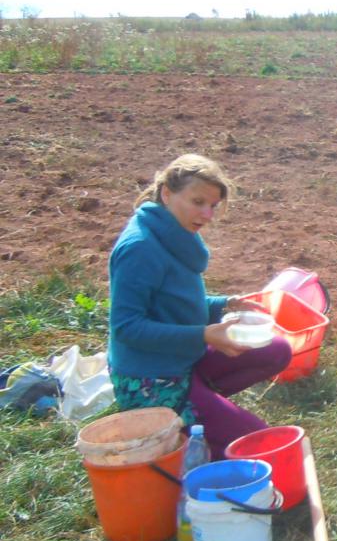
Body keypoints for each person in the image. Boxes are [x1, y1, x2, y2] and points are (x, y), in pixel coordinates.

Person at [107, 154, 291, 459]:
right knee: (256, 443)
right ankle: (181, 425)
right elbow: (126, 327)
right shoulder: (140, 248)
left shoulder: (175, 235)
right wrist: (204, 335)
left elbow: (170, 304)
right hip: (150, 379)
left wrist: (224, 304)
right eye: (198, 202)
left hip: (182, 360)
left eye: (213, 206)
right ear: (167, 193)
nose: (207, 214)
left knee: (277, 350)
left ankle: (201, 406)